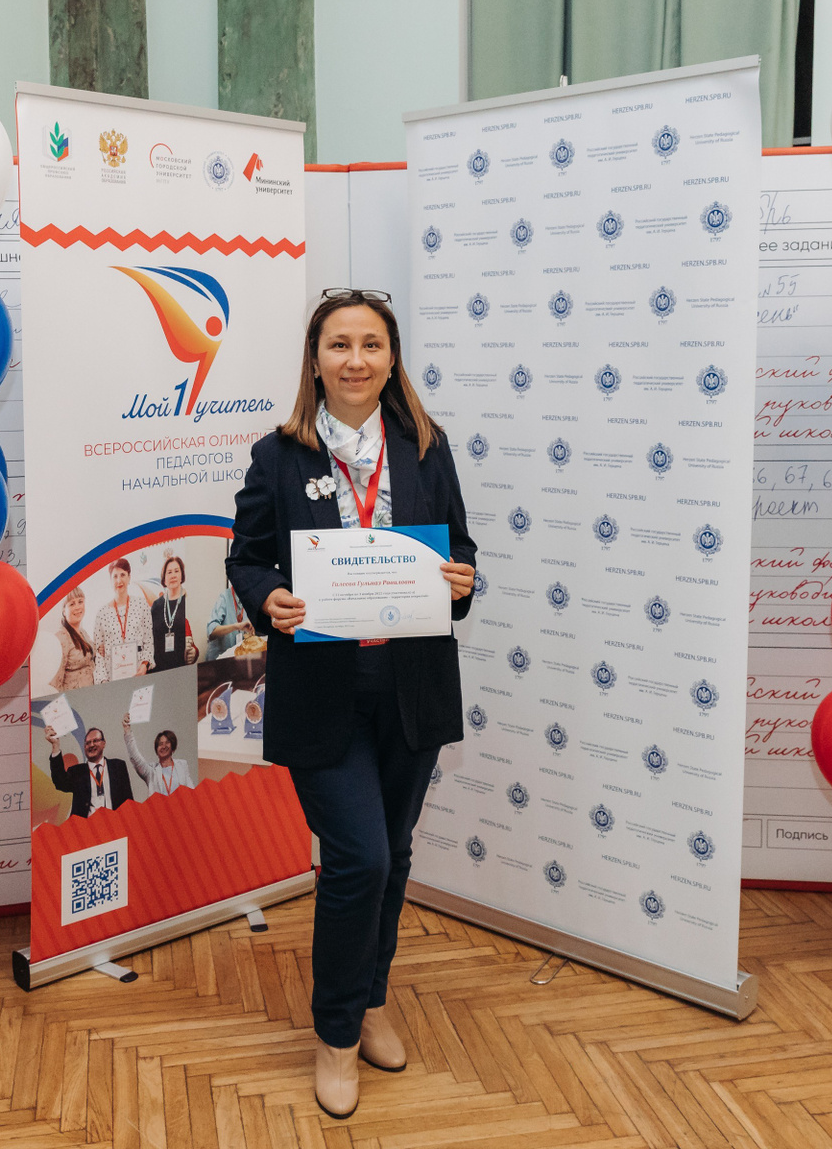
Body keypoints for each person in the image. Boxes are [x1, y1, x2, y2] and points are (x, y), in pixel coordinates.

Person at [224, 288, 476, 1119]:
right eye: (340, 345)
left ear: (392, 358)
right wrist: (268, 598)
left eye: (371, 344)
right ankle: (335, 1035)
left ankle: (370, 1002)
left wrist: (461, 580)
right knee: (360, 859)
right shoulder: (278, 456)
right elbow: (246, 559)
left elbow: (462, 551)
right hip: (323, 694)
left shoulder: (427, 448)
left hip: (411, 690)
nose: (356, 360)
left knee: (393, 856)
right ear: (316, 358)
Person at [45, 725, 135, 818]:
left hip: (114, 823)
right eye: (88, 743)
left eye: (95, 741)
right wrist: (55, 745)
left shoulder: (118, 766)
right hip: (85, 825)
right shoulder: (77, 771)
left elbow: (128, 801)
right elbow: (60, 782)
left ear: (103, 743)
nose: (91, 745)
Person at [90, 558, 153, 682]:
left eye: (123, 575)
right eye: (115, 576)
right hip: (112, 680)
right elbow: (99, 655)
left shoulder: (141, 605)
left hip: (138, 675)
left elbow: (148, 642)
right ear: (110, 580)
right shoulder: (102, 614)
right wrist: (104, 681)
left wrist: (144, 665)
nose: (119, 580)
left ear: (129, 577)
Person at [121, 712, 195, 796]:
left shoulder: (182, 765)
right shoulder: (151, 771)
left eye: (167, 742)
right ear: (156, 749)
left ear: (173, 746)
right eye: (160, 744)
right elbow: (136, 758)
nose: (163, 746)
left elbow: (191, 791)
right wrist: (127, 731)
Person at [149, 555, 200, 671]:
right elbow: (149, 638)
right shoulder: (156, 606)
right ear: (164, 579)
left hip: (180, 668)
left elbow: (194, 640)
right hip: (158, 669)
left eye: (176, 571)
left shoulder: (189, 601)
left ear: (182, 575)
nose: (173, 575)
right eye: (169, 572)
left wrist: (194, 652)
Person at [49, 586, 97, 692]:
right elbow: (55, 682)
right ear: (64, 610)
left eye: (80, 602)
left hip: (90, 694)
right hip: (74, 698)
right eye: (72, 604)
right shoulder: (61, 638)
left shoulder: (83, 632)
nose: (78, 607)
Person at [204, 571, 253, 660]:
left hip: (236, 659)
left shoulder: (249, 599)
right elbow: (211, 631)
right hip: (218, 661)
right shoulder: (224, 597)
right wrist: (236, 626)